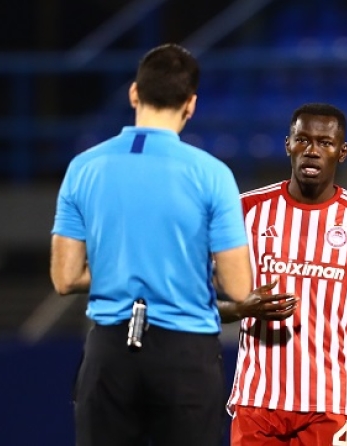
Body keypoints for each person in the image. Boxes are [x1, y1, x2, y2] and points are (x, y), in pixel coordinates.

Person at [50, 43, 257, 446]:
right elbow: (237, 287)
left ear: (134, 93)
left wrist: (123, 269)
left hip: (109, 353)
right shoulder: (212, 175)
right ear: (191, 104)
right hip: (185, 355)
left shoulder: (83, 168)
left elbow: (65, 277)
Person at [220, 103, 347, 446]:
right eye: (302, 140)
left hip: (329, 406)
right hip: (256, 401)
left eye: (325, 143)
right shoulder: (244, 211)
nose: (312, 151)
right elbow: (198, 294)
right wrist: (239, 309)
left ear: (342, 152)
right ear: (287, 144)